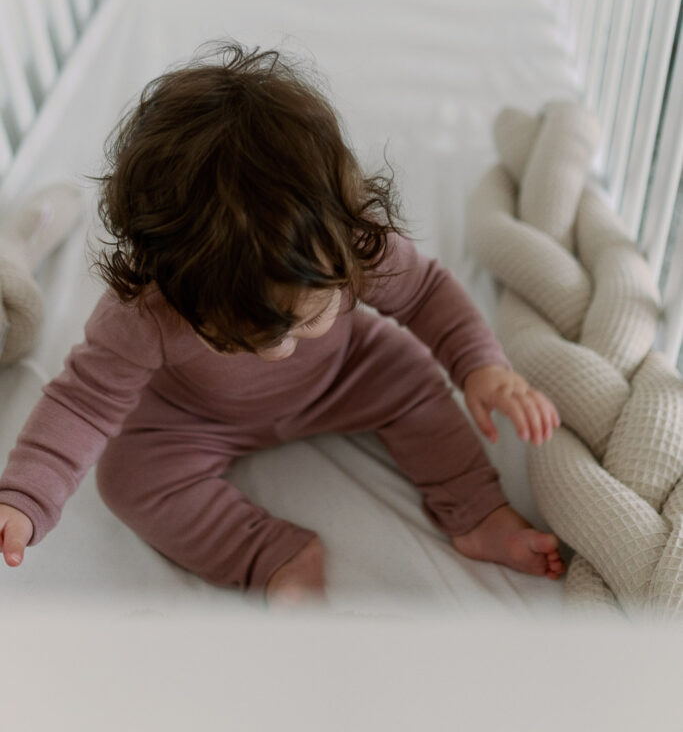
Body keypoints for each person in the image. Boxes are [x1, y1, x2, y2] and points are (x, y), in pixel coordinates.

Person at [0, 45, 565, 603]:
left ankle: (478, 513)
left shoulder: (352, 245)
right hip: (191, 415)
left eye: (303, 319)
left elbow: (426, 294)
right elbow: (82, 404)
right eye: (235, 336)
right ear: (168, 276)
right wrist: (24, 498)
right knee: (126, 479)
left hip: (346, 373)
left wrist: (479, 366)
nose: (276, 352)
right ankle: (271, 556)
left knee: (417, 384)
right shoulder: (146, 307)